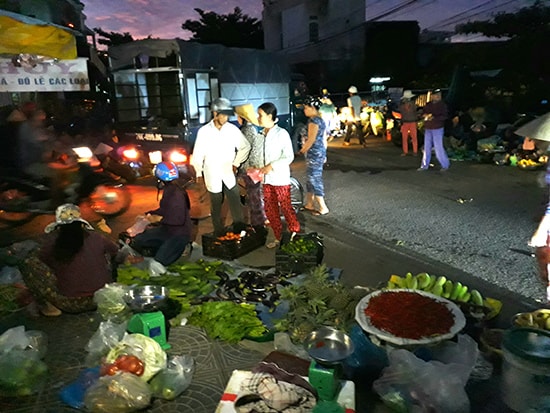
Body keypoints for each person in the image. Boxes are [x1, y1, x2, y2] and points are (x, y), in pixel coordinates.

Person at [19, 203, 120, 316]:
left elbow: (43, 261)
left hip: (71, 303)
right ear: (80, 224)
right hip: (103, 297)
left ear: (59, 227)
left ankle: (49, 307)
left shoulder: (52, 243)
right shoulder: (97, 237)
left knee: (28, 262)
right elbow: (117, 252)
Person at [191, 97, 251, 236]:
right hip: (212, 173)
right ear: (215, 113)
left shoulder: (232, 130)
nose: (225, 118)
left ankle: (239, 228)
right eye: (223, 114)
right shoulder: (204, 131)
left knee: (235, 200)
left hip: (228, 172)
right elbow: (198, 154)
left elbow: (245, 147)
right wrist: (199, 174)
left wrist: (236, 163)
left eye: (227, 115)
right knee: (216, 204)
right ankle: (218, 231)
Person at [131, 161, 193, 267]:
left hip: (179, 234)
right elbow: (164, 209)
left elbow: (178, 220)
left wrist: (157, 219)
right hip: (166, 230)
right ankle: (167, 247)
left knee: (159, 262)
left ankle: (183, 246)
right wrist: (149, 214)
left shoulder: (176, 195)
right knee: (138, 240)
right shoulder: (169, 189)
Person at [257, 102, 301, 248]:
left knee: (286, 207)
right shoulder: (261, 134)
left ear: (270, 116)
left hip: (280, 178)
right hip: (266, 179)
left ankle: (294, 233)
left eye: (261, 115)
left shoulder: (281, 133)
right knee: (270, 210)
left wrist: (271, 166)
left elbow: (289, 156)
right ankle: (278, 237)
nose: (258, 118)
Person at [234, 103, 268, 228]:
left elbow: (248, 151)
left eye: (238, 116)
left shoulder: (246, 130)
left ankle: (258, 224)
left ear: (243, 117)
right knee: (254, 196)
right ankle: (259, 220)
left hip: (250, 169)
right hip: (253, 168)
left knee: (254, 198)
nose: (237, 119)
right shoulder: (253, 128)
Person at [300, 96, 329, 216]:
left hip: (314, 153)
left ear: (312, 108)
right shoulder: (319, 120)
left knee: (314, 179)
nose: (304, 110)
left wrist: (302, 150)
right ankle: (309, 204)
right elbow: (324, 139)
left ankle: (323, 207)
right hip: (319, 152)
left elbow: (311, 140)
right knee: (310, 179)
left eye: (306, 108)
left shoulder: (314, 121)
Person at [418, 89, 450, 171]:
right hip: (428, 127)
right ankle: (424, 165)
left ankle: (445, 165)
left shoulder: (443, 105)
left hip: (438, 128)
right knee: (426, 147)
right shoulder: (428, 105)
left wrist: (434, 117)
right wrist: (425, 115)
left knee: (438, 147)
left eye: (439, 95)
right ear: (432, 96)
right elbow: (422, 114)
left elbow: (445, 116)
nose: (438, 96)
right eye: (436, 95)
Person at [398, 90, 419, 156]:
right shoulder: (411, 105)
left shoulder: (411, 105)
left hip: (409, 122)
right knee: (408, 137)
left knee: (411, 137)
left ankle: (410, 151)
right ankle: (411, 151)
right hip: (409, 122)